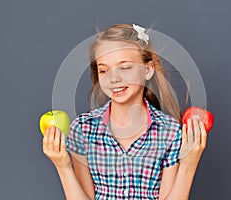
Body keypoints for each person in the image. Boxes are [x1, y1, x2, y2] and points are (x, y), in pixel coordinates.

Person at [43, 24, 207, 200]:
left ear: (148, 70)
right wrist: (63, 167)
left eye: (125, 67)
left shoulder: (169, 131)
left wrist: (189, 165)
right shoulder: (83, 129)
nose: (114, 78)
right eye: (104, 70)